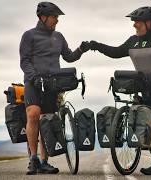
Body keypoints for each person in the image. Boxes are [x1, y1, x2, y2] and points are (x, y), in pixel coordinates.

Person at [89, 6, 151, 177]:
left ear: (149, 22)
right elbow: (115, 52)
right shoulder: (132, 41)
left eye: (137, 22)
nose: (134, 25)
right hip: (147, 91)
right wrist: (96, 45)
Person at [19, 1, 90, 175]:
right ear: (42, 17)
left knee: (48, 120)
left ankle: (44, 161)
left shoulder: (59, 37)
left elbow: (69, 57)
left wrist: (82, 49)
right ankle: (33, 159)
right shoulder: (29, 35)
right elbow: (24, 61)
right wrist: (34, 77)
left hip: (53, 84)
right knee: (33, 114)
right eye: (54, 17)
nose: (56, 20)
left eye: (57, 17)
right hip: (33, 82)